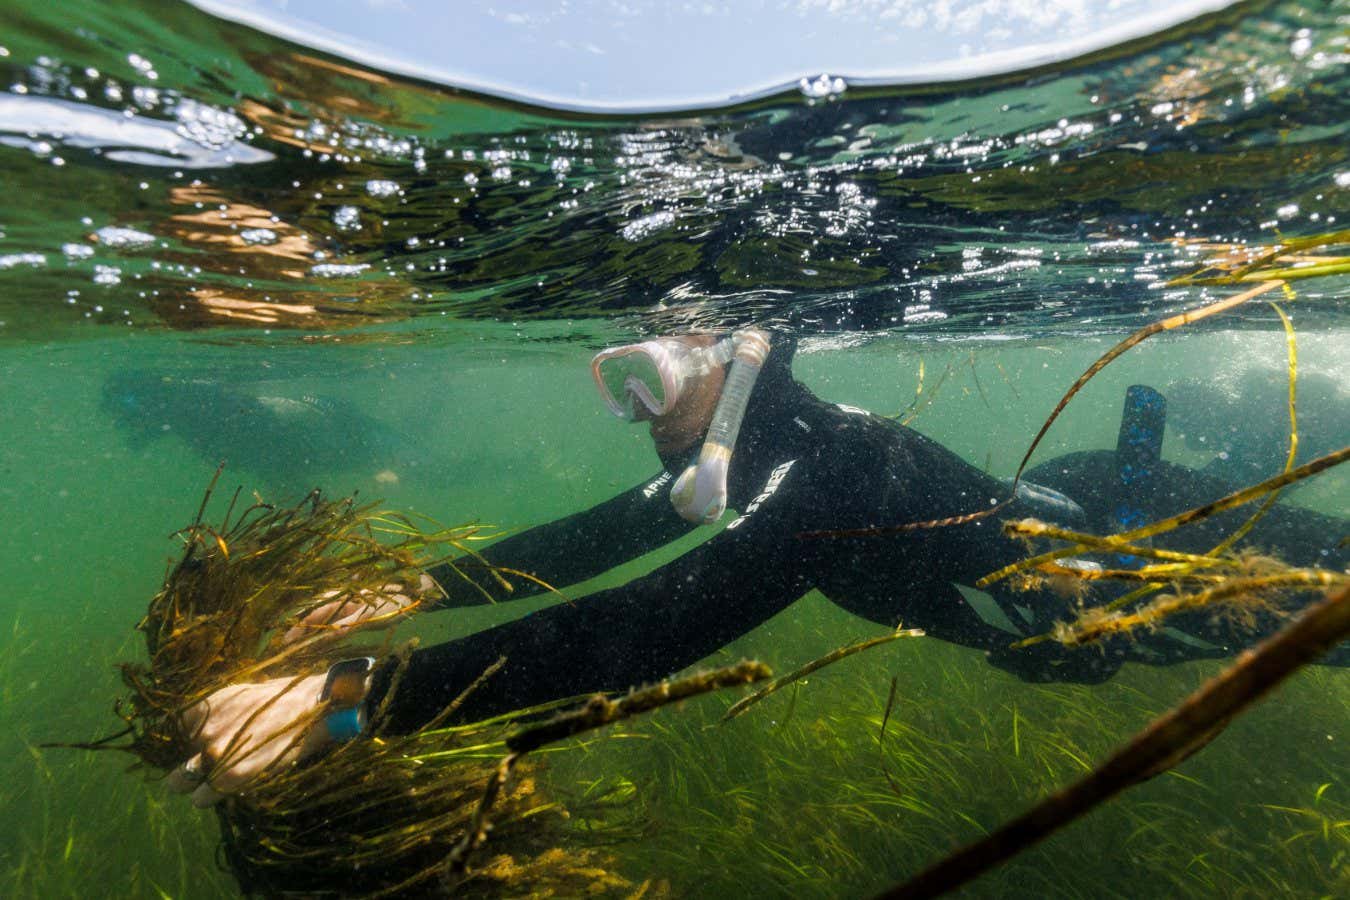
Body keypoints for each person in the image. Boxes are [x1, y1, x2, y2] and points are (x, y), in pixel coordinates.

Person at [167, 329, 1348, 806]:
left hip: (1165, 561)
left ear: (736, 358)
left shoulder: (834, 469)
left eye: (649, 374)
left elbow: (653, 623)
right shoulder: (789, 452)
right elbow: (614, 533)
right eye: (615, 380)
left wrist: (364, 700)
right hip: (1094, 523)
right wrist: (417, 591)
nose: (638, 409)